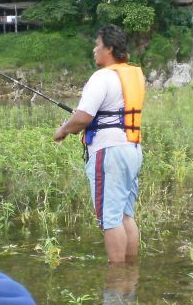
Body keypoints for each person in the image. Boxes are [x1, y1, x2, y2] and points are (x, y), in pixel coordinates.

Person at [53, 25, 145, 263]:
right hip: (132, 149)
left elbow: (83, 117)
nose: (94, 50)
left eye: (98, 45)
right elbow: (110, 111)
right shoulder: (134, 74)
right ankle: (130, 274)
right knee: (126, 216)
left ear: (110, 49)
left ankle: (115, 283)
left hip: (109, 154)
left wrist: (63, 129)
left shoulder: (102, 77)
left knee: (110, 219)